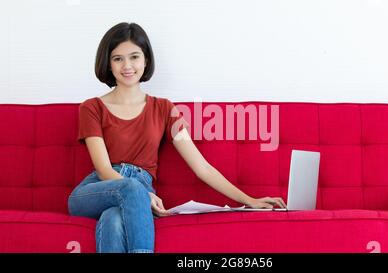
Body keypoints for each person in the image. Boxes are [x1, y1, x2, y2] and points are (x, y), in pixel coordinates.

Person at [68, 22, 286, 253]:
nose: (127, 66)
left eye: (134, 56)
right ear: (108, 63)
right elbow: (103, 169)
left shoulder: (163, 108)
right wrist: (141, 192)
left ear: (146, 60)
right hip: (99, 188)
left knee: (112, 219)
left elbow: (201, 166)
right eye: (118, 58)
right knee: (130, 188)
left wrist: (249, 200)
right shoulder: (92, 108)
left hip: (139, 193)